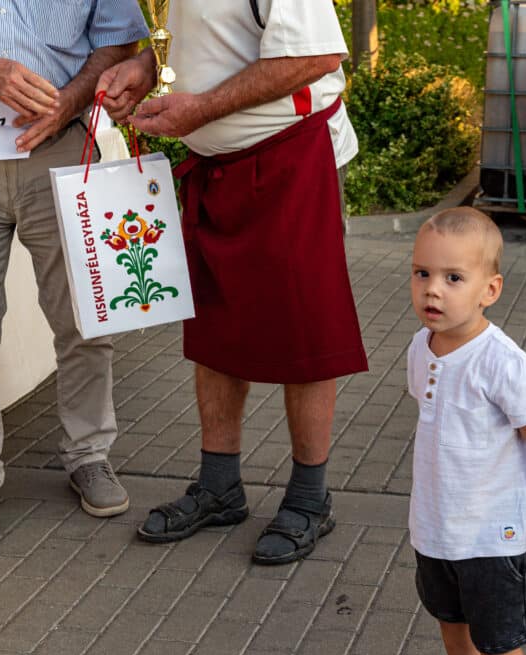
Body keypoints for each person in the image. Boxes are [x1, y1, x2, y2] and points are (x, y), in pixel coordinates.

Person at [96, 1, 367, 564]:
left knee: (305, 331)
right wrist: (146, 66)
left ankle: (310, 497)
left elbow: (314, 56)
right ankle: (219, 486)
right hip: (219, 164)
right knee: (215, 326)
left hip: (293, 155)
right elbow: (211, 37)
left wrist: (200, 109)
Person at [0, 1, 147, 558]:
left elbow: (120, 40)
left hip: (63, 150)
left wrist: (68, 103)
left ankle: (89, 453)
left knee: (83, 317)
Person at [407, 207, 526, 655]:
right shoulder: (420, 347)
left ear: (490, 290)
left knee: (499, 643)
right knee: (453, 628)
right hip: (436, 529)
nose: (433, 289)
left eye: (453, 277)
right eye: (422, 273)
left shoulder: (504, 364)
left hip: (494, 538)